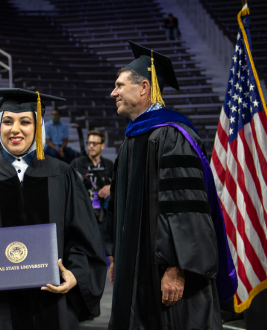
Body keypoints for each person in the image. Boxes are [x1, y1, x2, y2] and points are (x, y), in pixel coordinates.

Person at [0, 88, 107, 329]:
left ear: (38, 127)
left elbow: (83, 237)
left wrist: (76, 274)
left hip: (53, 303)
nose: (15, 129)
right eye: (7, 121)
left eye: (25, 121)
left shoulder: (63, 175)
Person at [106, 41, 234, 329]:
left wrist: (178, 267)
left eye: (119, 85)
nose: (113, 93)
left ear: (143, 88)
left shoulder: (171, 135)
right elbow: (121, 203)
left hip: (167, 275)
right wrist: (117, 252)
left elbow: (186, 210)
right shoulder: (132, 138)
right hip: (136, 270)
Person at [70, 130, 113, 249]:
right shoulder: (77, 163)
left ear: (102, 145)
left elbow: (120, 183)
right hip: (85, 214)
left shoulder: (108, 164)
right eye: (89, 143)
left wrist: (111, 187)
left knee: (110, 249)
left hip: (105, 214)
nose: (91, 146)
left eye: (95, 143)